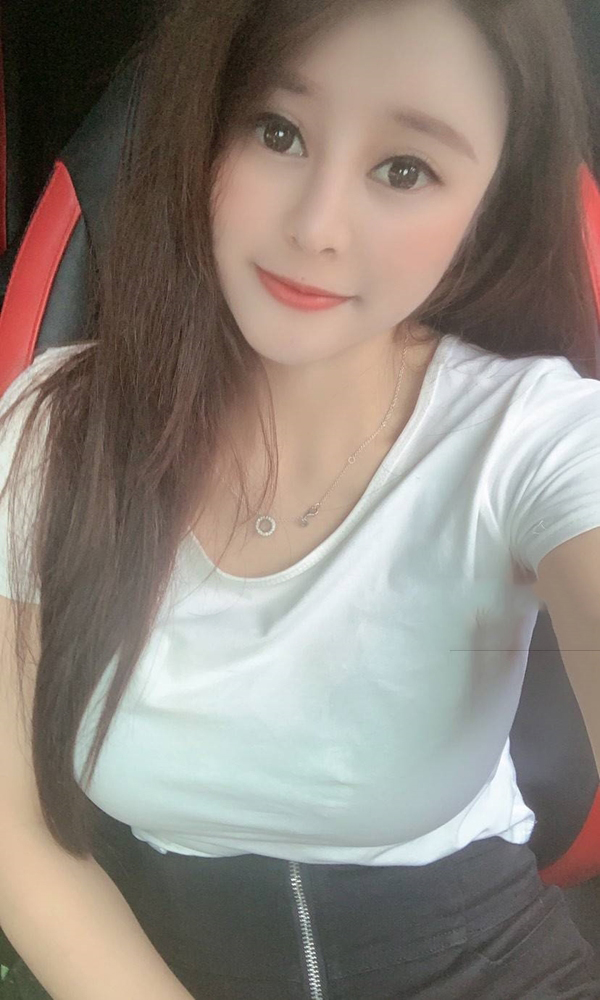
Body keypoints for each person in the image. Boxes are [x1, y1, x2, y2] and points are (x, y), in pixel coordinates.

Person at [1, 0, 600, 997]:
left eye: (404, 169)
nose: (316, 227)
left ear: (489, 200)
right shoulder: (56, 433)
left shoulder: (536, 438)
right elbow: (14, 829)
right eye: (277, 132)